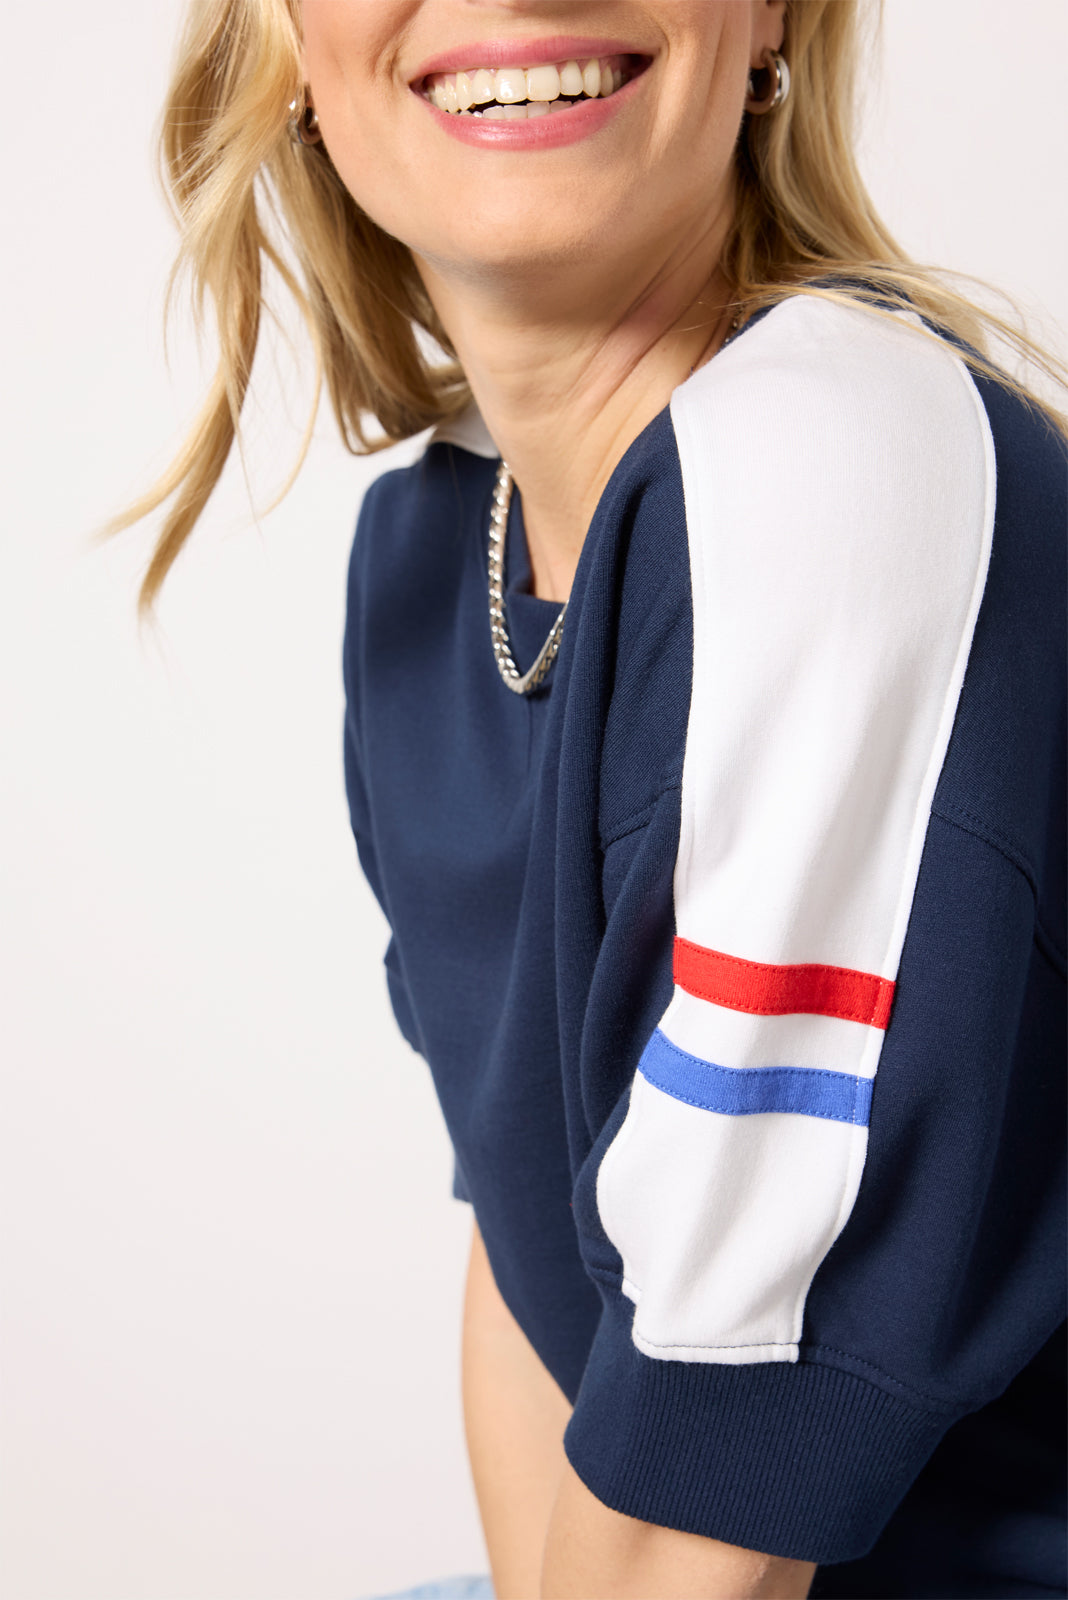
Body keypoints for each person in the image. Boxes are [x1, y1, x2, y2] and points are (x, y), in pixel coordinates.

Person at [111, 2, 1067, 1595]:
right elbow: (542, 1266)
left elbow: (720, 1462)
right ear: (291, 51)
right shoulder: (437, 553)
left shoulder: (832, 470)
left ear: (768, 19)